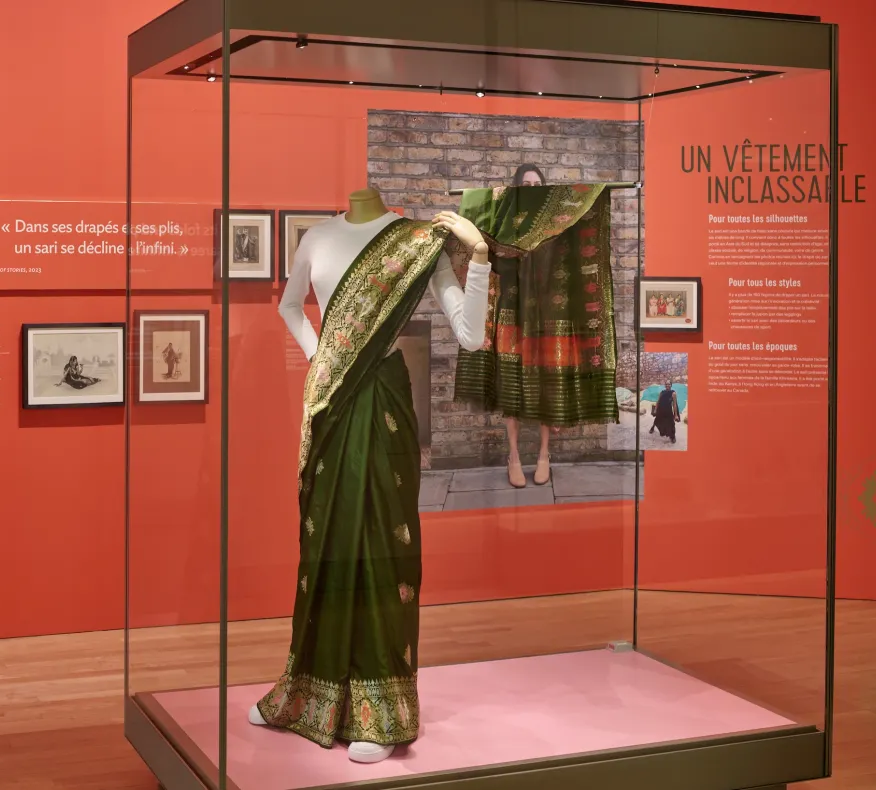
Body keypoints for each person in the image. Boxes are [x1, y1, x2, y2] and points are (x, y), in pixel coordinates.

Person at [262, 187, 491, 763]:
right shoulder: (316, 237)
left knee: (383, 544)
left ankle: (379, 708)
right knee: (326, 541)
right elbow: (290, 305)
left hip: (384, 402)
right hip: (331, 402)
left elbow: (472, 335)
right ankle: (306, 692)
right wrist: (322, 356)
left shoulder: (417, 241)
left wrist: (480, 255)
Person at [453, 165, 620, 488]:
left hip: (548, 311)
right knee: (510, 383)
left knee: (547, 381)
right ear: (515, 189)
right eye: (525, 184)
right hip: (511, 309)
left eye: (537, 184)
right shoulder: (505, 218)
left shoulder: (559, 221)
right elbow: (483, 246)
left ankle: (544, 455)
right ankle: (513, 455)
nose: (531, 188)